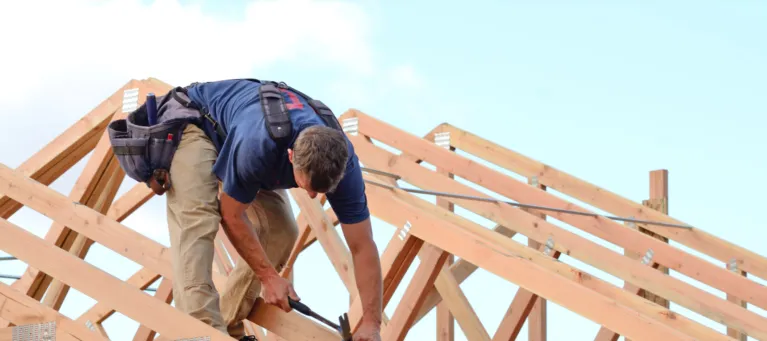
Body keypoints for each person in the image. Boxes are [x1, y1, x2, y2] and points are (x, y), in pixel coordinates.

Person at [155, 78, 383, 341]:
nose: (310, 195)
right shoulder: (259, 145)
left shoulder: (346, 167)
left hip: (247, 141)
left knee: (283, 231)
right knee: (199, 219)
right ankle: (199, 333)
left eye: (320, 191)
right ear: (291, 157)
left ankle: (228, 327)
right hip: (197, 125)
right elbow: (231, 215)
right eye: (305, 185)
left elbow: (362, 245)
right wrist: (268, 277)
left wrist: (371, 322)